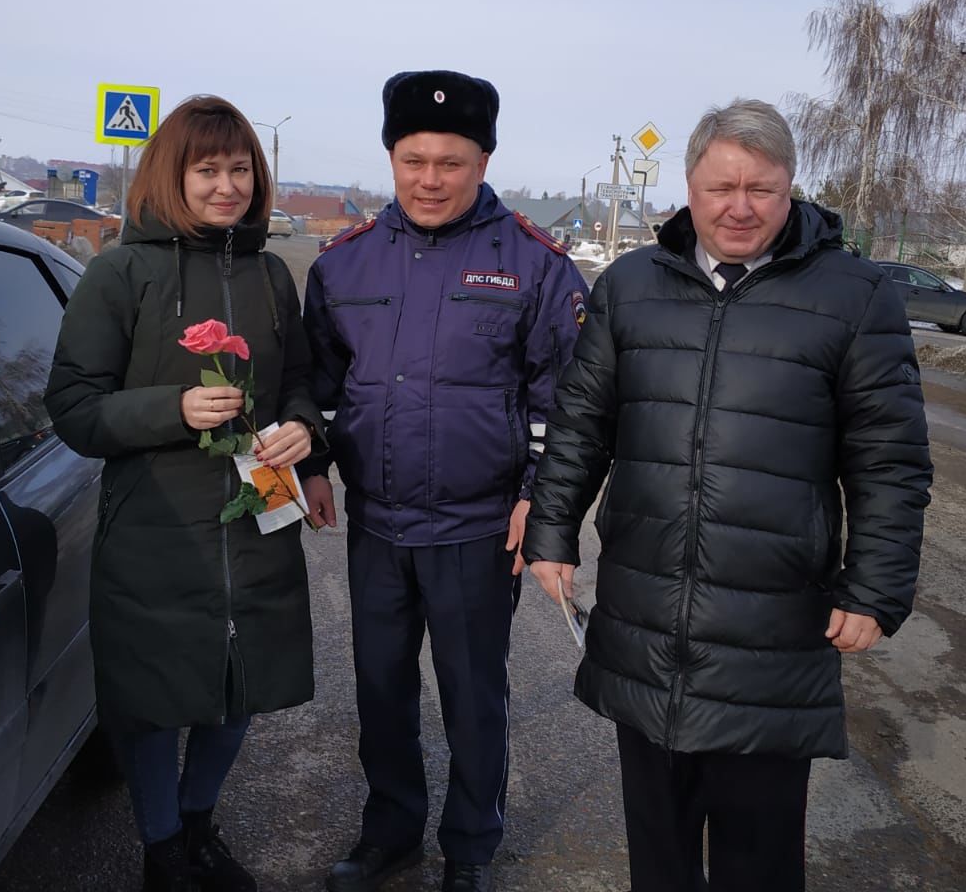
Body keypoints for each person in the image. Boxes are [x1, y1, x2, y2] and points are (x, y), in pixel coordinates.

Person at [522, 98, 932, 892]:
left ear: (791, 190)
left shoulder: (855, 295)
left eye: (762, 189)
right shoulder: (632, 284)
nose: (739, 207)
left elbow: (889, 458)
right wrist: (552, 530)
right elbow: (582, 419)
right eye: (721, 188)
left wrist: (877, 587)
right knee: (659, 849)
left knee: (758, 856)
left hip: (770, 626)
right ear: (688, 187)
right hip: (648, 612)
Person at [303, 70, 588, 892]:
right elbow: (313, 387)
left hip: (476, 529)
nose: (431, 180)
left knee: (473, 699)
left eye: (452, 163)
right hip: (378, 525)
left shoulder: (535, 266)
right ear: (392, 156)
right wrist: (315, 465)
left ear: (484, 160)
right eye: (415, 160)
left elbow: (566, 404)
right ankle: (390, 830)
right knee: (382, 694)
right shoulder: (343, 265)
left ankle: (469, 848)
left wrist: (541, 498)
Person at [44, 95, 333, 892]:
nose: (226, 186)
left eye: (239, 168)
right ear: (172, 175)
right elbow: (72, 406)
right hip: (155, 524)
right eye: (207, 170)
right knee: (152, 696)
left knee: (239, 682)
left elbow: (303, 385)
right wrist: (169, 409)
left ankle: (199, 823)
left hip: (255, 514)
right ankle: (162, 846)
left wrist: (309, 438)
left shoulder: (272, 274)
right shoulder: (119, 272)